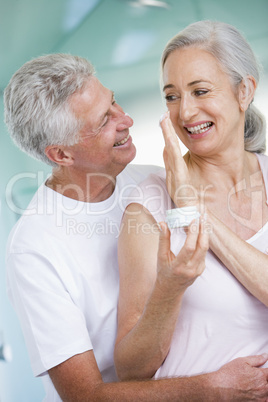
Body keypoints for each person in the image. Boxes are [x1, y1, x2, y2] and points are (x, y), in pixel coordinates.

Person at [4, 53, 268, 402]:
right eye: (103, 122)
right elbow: (84, 395)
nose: (125, 119)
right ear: (61, 155)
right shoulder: (34, 247)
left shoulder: (154, 182)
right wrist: (211, 388)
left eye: (113, 101)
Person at [114, 20, 268, 385]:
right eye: (172, 96)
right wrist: (170, 288)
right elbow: (130, 370)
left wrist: (195, 213)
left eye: (200, 91)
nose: (184, 113)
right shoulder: (148, 207)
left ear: (244, 91)